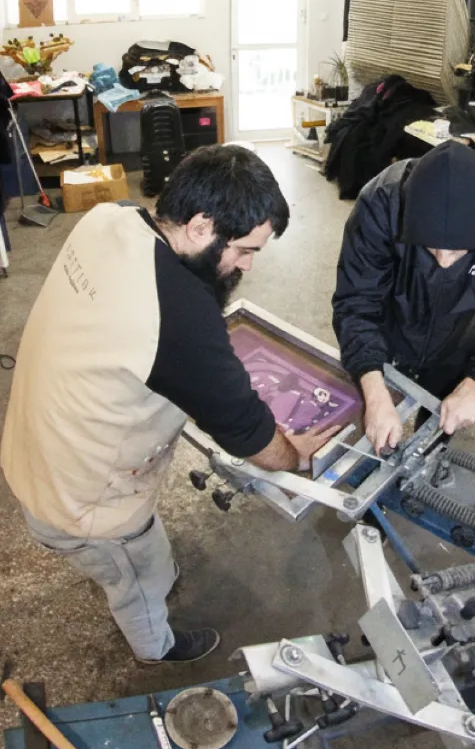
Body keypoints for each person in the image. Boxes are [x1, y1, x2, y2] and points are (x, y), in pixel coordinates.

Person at [1, 145, 339, 665]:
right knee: (132, 576)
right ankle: (154, 649)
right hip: (79, 500)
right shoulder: (178, 315)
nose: (247, 265)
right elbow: (248, 434)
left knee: (145, 551)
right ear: (202, 226)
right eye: (245, 249)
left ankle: (152, 572)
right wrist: (294, 455)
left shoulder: (108, 219)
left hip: (32, 439)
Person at [332, 141, 475, 453]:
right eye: (431, 248)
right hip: (390, 329)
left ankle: (432, 458)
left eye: (458, 251)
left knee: (439, 429)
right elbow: (356, 302)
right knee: (374, 417)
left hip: (460, 337)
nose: (444, 261)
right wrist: (374, 389)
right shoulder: (381, 203)